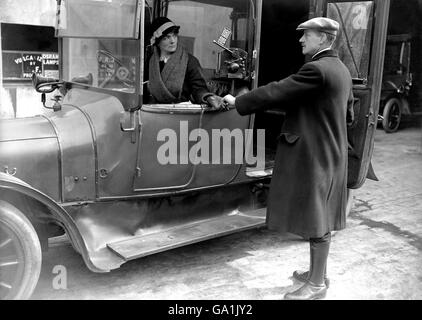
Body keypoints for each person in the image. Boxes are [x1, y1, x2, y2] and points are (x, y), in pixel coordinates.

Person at [223, 17, 353, 300]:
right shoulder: (340, 69)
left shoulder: (316, 70)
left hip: (315, 154)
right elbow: (349, 114)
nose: (301, 39)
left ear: (324, 39)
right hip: (331, 152)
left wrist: (240, 101)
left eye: (307, 34)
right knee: (321, 213)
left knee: (317, 216)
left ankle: (317, 284)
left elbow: (278, 90)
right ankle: (317, 273)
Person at [147, 17, 225, 110]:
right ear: (157, 41)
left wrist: (208, 98)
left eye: (174, 35)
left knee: (182, 125)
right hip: (154, 111)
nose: (172, 41)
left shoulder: (190, 61)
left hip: (182, 113)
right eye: (166, 37)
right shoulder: (150, 62)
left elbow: (199, 89)